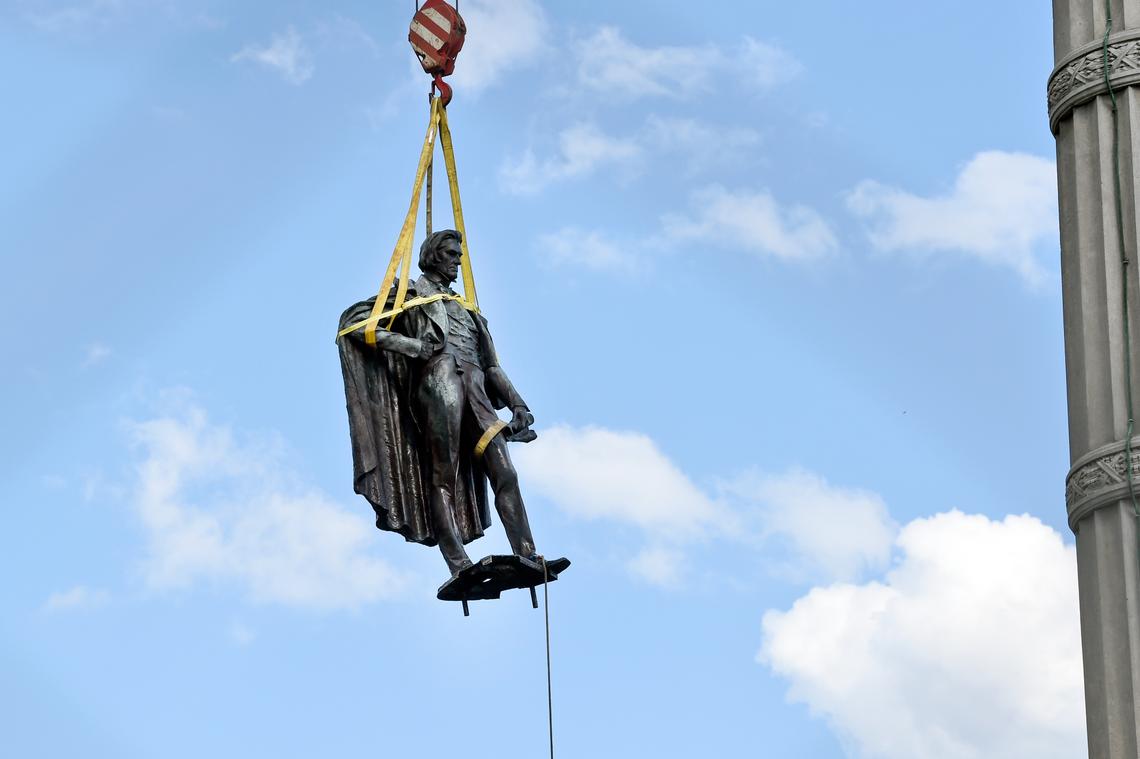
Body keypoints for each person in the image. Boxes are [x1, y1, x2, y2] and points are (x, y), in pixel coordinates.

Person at [337, 230, 540, 577]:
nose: (457, 261)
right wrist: (412, 347)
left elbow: (492, 366)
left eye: (459, 255)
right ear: (432, 256)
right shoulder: (409, 294)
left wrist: (519, 405)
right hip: (439, 381)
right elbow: (353, 324)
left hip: (476, 387)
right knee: (443, 475)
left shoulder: (469, 309)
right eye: (450, 254)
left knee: (505, 471)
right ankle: (459, 565)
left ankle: (528, 555)